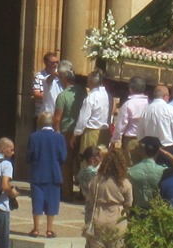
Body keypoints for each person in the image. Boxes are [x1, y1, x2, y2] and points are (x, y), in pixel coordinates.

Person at [26, 112, 67, 238]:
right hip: (54, 173)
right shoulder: (59, 138)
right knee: (52, 202)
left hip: (38, 173)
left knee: (37, 201)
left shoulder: (34, 137)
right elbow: (63, 157)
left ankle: (36, 228)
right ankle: (49, 230)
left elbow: (28, 156)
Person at [84, 148, 133, 248]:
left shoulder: (96, 180)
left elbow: (90, 201)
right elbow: (129, 205)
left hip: (98, 218)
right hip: (118, 220)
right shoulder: (124, 183)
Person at [52, 60, 85, 201]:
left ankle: (67, 192)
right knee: (81, 161)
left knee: (66, 163)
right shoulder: (82, 92)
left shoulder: (63, 95)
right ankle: (83, 192)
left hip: (67, 132)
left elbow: (57, 118)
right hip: (81, 130)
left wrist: (56, 132)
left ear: (63, 77)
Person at [137, 85, 173, 157]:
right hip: (167, 150)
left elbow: (140, 134)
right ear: (166, 97)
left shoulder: (145, 110)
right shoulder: (170, 109)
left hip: (150, 150)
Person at [111, 77, 148, 165]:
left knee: (130, 167)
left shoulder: (128, 104)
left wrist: (114, 140)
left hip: (131, 141)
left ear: (130, 89)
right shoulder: (149, 103)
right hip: (145, 140)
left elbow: (120, 125)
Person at [73, 70, 111, 155]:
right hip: (104, 132)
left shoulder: (91, 97)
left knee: (88, 158)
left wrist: (76, 134)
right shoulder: (106, 95)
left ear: (91, 82)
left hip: (91, 133)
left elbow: (83, 119)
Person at [127, 136, 165, 210]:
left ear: (144, 151)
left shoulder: (131, 171)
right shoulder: (163, 171)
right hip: (157, 211)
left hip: (136, 210)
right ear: (157, 152)